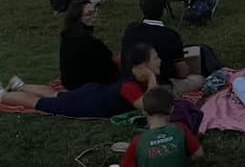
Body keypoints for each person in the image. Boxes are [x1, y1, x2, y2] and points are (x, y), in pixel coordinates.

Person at [17, 86, 203, 167]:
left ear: (144, 112)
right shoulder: (181, 129)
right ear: (171, 110)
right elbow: (198, 155)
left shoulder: (139, 141)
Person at [1, 43, 160, 119]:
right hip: (87, 104)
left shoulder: (130, 79)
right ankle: (3, 95)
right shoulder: (129, 87)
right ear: (142, 65)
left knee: (57, 95)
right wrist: (152, 77)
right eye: (155, 58)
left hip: (93, 93)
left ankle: (21, 85)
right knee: (39, 103)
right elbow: (150, 106)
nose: (159, 61)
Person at [122, 0, 204, 94]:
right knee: (199, 79)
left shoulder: (131, 30)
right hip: (160, 87)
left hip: (131, 84)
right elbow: (182, 72)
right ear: (164, 10)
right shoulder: (170, 36)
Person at [59, 0, 119, 89]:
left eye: (94, 12)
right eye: (89, 14)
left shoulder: (67, 36)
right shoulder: (88, 42)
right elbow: (108, 68)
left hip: (71, 83)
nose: (94, 16)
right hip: (90, 86)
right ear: (77, 17)